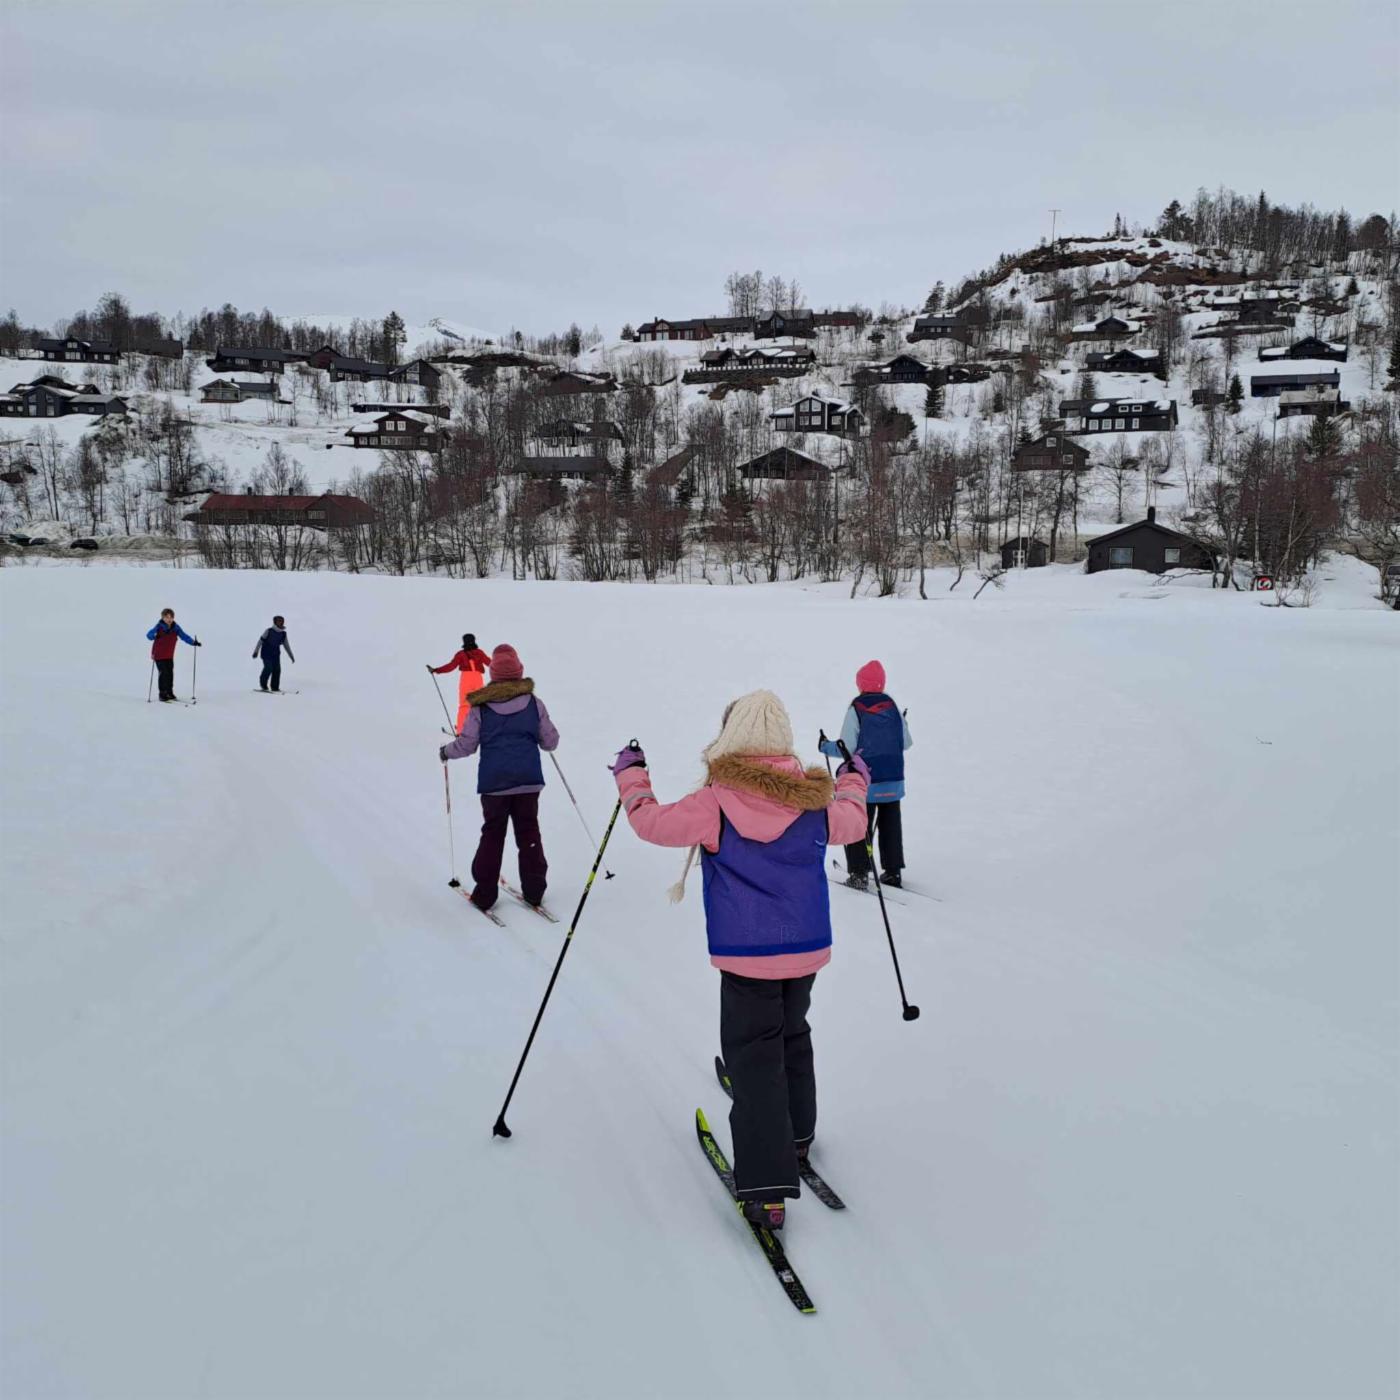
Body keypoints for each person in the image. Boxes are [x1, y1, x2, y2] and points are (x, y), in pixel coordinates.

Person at [610, 690, 869, 1229]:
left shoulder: (716, 801)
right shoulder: (813, 802)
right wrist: (853, 778)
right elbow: (853, 821)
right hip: (804, 948)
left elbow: (651, 824)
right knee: (793, 1035)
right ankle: (797, 1136)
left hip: (747, 953)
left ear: (731, 737)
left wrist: (631, 777)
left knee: (754, 1060)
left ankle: (767, 1189)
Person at [439, 644, 558, 911]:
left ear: (492, 673)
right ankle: (534, 890)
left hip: (494, 784)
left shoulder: (480, 708)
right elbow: (550, 742)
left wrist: (446, 752)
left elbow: (467, 745)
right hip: (528, 782)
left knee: (493, 833)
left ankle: (485, 894)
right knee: (529, 831)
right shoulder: (534, 704)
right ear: (519, 671)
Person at [820, 659, 912, 890]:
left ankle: (859, 873)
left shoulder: (857, 707)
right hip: (894, 779)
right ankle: (893, 872)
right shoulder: (892, 706)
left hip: (865, 781)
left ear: (860, 684)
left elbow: (847, 747)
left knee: (858, 821)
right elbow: (906, 743)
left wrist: (825, 746)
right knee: (891, 825)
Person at [429, 633, 492, 733]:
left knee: (464, 705)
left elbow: (451, 666)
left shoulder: (461, 654)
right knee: (479, 705)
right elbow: (490, 663)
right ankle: (480, 729)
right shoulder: (479, 653)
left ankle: (461, 730)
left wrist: (436, 670)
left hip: (466, 678)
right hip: (478, 678)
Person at [146, 608, 200, 702]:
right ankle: (162, 694)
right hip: (158, 655)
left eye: (171, 617)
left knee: (170, 674)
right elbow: (149, 635)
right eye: (167, 617)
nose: (169, 619)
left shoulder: (176, 628)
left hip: (169, 655)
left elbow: (184, 636)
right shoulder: (159, 626)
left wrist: (193, 642)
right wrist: (154, 636)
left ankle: (169, 692)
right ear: (163, 618)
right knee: (163, 674)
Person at [252, 615, 295, 692]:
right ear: (275, 622)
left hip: (276, 655)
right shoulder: (268, 631)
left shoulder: (283, 634)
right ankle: (263, 685)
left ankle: (275, 687)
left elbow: (287, 646)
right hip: (266, 653)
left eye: (282, 621)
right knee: (268, 668)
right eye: (279, 621)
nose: (281, 622)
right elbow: (260, 641)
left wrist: (291, 656)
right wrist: (256, 651)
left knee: (277, 670)